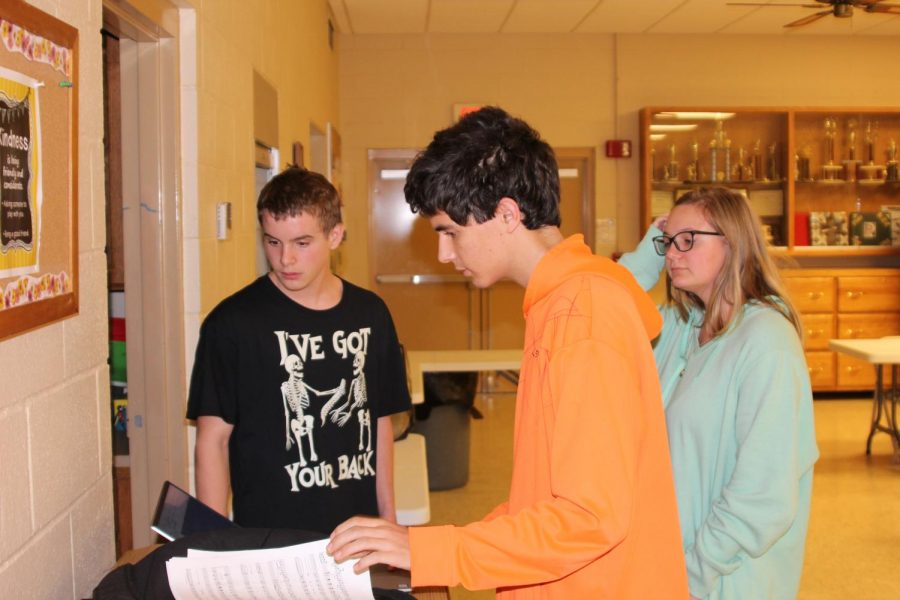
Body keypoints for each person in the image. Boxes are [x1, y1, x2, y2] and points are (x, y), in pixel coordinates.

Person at [328, 106, 689, 598]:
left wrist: (435, 553)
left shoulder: (582, 314)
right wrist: (428, 547)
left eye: (450, 232)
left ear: (506, 214)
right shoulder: (559, 303)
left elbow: (589, 517)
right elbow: (539, 499)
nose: (444, 254)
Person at [186, 166, 411, 534]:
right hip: (268, 536)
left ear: (335, 236)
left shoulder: (371, 313)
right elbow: (212, 440)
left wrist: (388, 520)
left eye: (302, 243)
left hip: (356, 531)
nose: (285, 259)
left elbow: (379, 423)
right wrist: (215, 545)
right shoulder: (231, 324)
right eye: (273, 242)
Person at [618, 187, 819, 599]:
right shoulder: (679, 326)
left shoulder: (767, 342)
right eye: (667, 241)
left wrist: (692, 574)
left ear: (733, 241)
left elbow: (762, 493)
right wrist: (647, 254)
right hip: (670, 563)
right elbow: (608, 312)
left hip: (725, 581)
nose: (672, 254)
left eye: (688, 240)